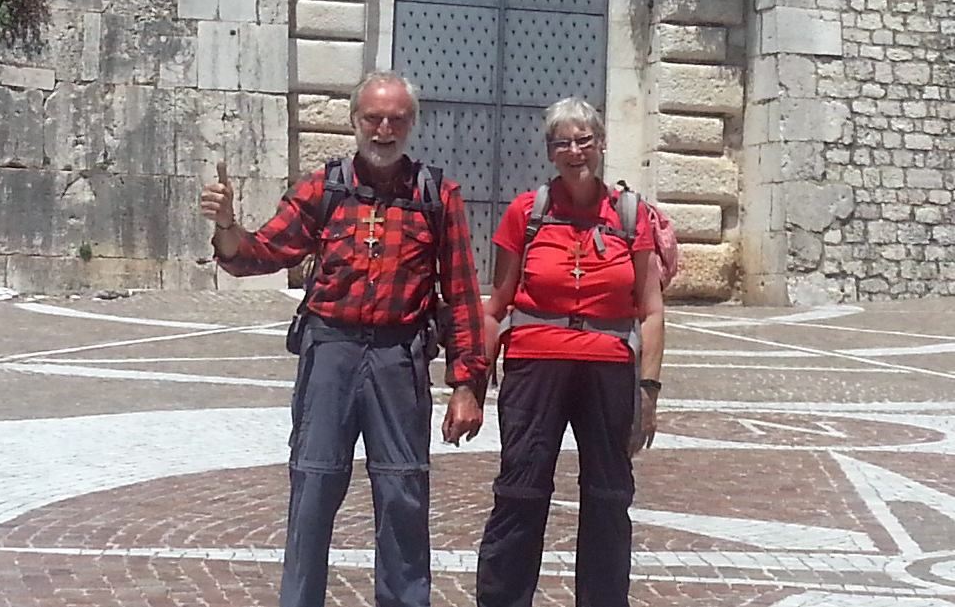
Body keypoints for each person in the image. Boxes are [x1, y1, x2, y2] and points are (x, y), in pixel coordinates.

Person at [201, 70, 488, 607]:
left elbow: (463, 295)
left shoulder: (436, 196)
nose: (384, 129)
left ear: (412, 124)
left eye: (396, 119)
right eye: (373, 118)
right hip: (329, 352)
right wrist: (226, 227)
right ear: (354, 121)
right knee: (312, 489)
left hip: (400, 359)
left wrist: (468, 383)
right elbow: (259, 252)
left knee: (403, 494)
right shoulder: (323, 188)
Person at [476, 97, 665, 607]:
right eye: (563, 142)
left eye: (584, 140)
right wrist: (472, 384)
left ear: (601, 146)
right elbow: (496, 305)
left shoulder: (629, 215)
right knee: (521, 488)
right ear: (550, 151)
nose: (575, 151)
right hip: (536, 364)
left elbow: (650, 310)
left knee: (609, 495)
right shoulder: (527, 212)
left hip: (608, 367)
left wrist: (647, 391)